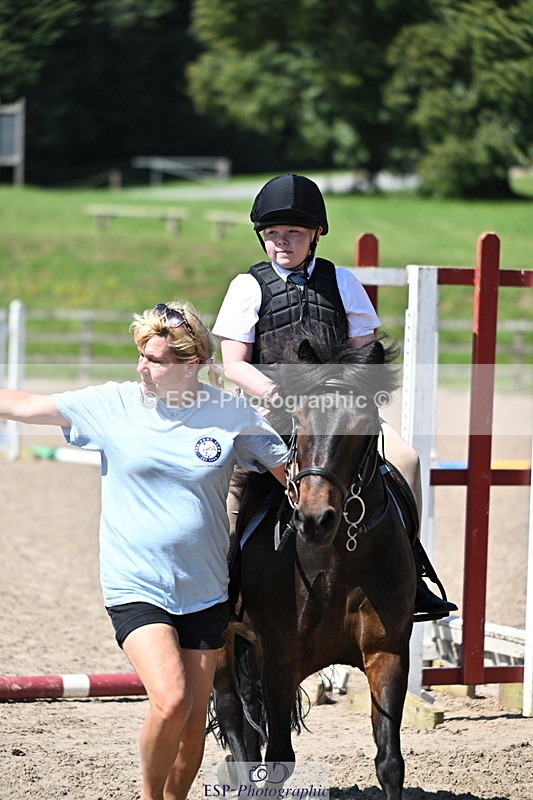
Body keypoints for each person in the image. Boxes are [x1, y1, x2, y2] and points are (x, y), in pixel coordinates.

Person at [0, 301, 288, 800]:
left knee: (194, 719)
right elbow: (25, 405)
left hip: (205, 588)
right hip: (136, 583)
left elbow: (294, 479)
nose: (143, 368)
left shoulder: (230, 414)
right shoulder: (112, 404)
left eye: (156, 360)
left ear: (193, 363)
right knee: (173, 699)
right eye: (142, 355)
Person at [213, 173, 457, 621]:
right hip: (268, 411)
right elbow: (233, 363)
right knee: (233, 491)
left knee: (406, 460)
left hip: (335, 411)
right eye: (273, 234)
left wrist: (349, 396)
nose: (282, 242)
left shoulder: (342, 282)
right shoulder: (247, 287)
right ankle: (222, 590)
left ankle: (413, 573)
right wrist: (281, 393)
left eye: (294, 233)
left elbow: (366, 351)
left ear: (315, 236)